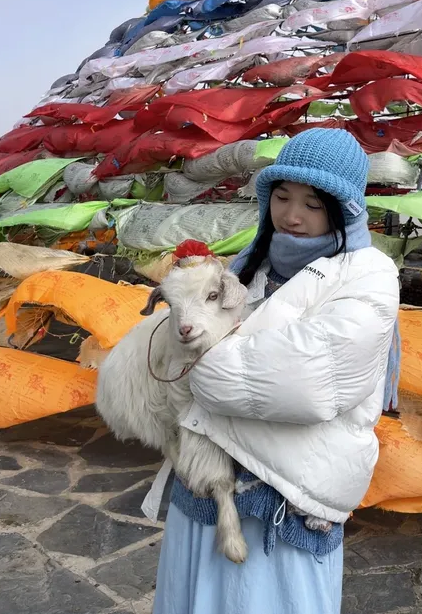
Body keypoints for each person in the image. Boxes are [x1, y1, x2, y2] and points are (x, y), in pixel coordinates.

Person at [152, 128, 401, 614]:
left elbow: (305, 381)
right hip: (212, 477)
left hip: (287, 490)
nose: (291, 216)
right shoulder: (250, 265)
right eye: (281, 197)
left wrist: (201, 365)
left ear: (345, 210)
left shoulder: (368, 275)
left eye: (312, 204)